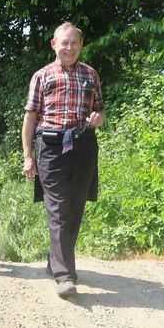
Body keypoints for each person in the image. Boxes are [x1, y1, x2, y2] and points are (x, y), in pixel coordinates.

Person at [22, 22, 105, 299]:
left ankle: (54, 260)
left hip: (83, 144)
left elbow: (100, 112)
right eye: (64, 43)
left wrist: (97, 119)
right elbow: (30, 117)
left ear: (81, 46)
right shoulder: (42, 76)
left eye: (74, 43)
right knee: (56, 207)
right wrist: (27, 156)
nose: (69, 48)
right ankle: (64, 275)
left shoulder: (91, 75)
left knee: (74, 208)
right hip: (50, 145)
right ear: (54, 44)